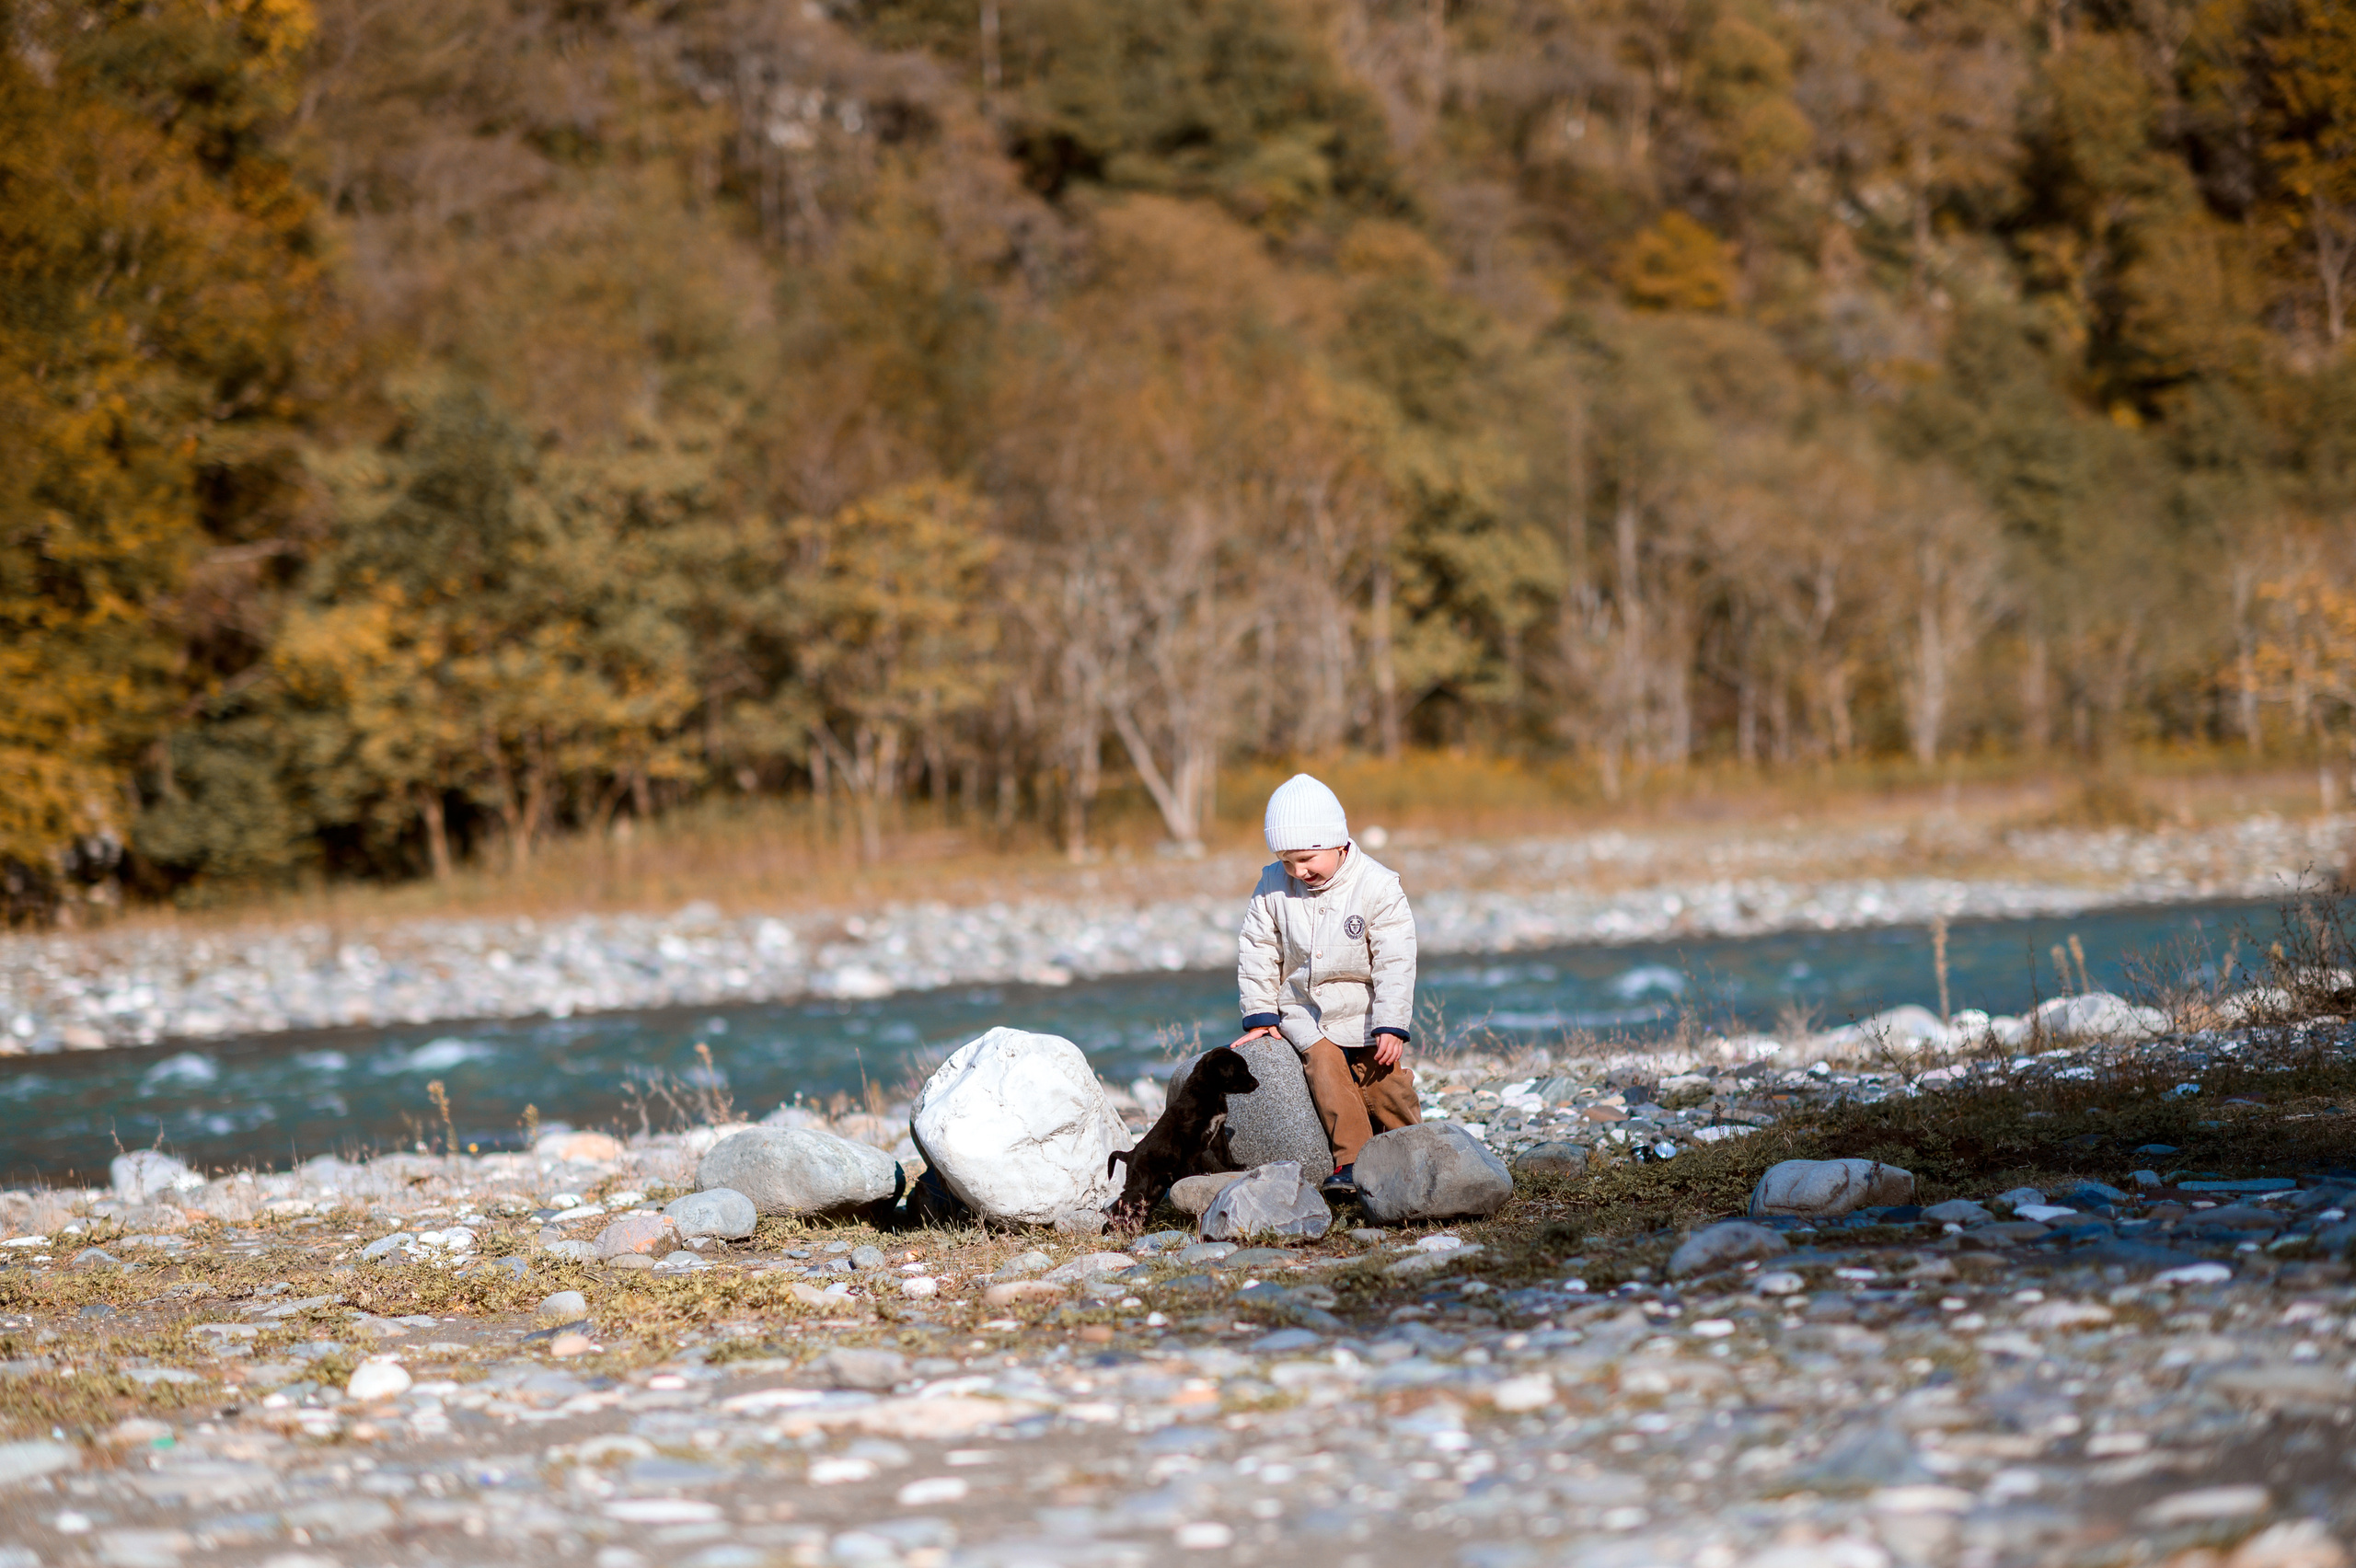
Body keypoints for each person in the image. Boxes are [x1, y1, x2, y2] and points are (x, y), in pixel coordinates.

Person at [1234, 773, 1422, 1195]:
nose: (1297, 871)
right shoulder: (1271, 885)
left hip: (1365, 1007)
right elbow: (1258, 948)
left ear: (1337, 843)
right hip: (1305, 1010)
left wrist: (1391, 1023)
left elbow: (1395, 960)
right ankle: (1352, 1160)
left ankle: (1415, 1149)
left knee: (1386, 1080)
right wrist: (1260, 1014)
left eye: (1306, 860)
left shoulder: (1377, 885)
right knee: (1325, 1067)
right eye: (1287, 862)